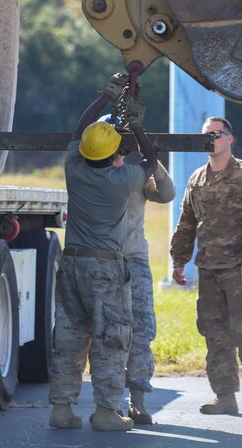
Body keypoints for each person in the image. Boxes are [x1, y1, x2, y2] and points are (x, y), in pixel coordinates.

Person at [48, 75, 158, 432]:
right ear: (113, 154)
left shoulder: (73, 169)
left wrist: (105, 98)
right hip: (105, 268)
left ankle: (61, 409)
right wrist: (138, 127)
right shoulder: (122, 180)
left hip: (72, 262)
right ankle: (106, 411)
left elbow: (79, 131)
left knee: (69, 336)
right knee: (111, 337)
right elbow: (151, 162)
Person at [170, 116, 242, 417]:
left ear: (230, 139)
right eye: (205, 135)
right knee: (215, 337)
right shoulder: (196, 179)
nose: (211, 140)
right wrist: (179, 260)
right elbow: (186, 224)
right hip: (208, 272)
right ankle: (225, 397)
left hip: (238, 271)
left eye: (216, 134)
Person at [115, 140, 174, 425]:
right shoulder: (95, 171)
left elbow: (167, 193)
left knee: (140, 333)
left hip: (134, 260)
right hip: (106, 261)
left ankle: (138, 400)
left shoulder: (137, 172)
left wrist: (150, 156)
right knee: (110, 335)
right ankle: (112, 403)